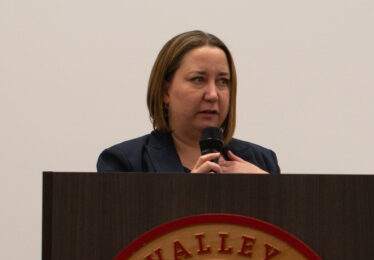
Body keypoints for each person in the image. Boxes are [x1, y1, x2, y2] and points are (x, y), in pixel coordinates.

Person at [97, 31, 280, 174]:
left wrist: (266, 189)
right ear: (165, 91)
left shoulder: (262, 161)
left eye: (222, 81)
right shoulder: (125, 162)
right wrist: (189, 192)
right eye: (198, 80)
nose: (213, 95)